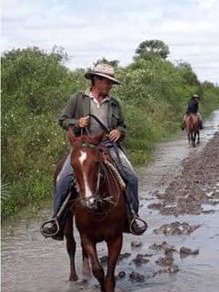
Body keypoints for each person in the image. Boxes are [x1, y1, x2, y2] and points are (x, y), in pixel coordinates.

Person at [40, 63, 147, 239]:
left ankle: (132, 218)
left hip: (108, 147)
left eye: (111, 82)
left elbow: (122, 125)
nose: (110, 85)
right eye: (107, 82)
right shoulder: (78, 98)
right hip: (83, 147)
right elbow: (63, 120)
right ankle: (56, 221)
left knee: (132, 178)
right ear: (96, 80)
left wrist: (118, 132)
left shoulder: (113, 103)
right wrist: (76, 123)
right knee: (63, 179)